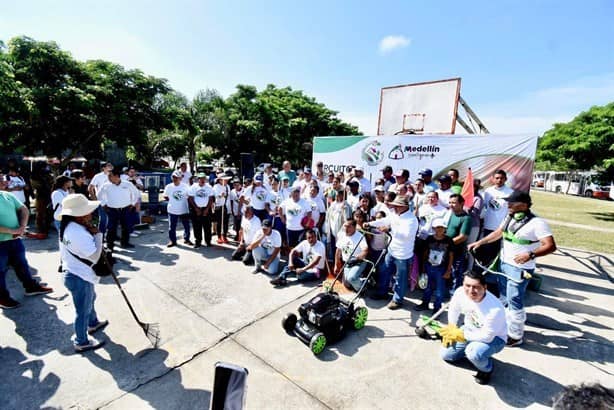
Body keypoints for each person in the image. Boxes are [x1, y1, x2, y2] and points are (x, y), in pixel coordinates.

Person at [468, 190, 556, 347]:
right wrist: (480, 242)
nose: (508, 204)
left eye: (512, 202)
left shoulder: (537, 223)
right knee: (503, 296)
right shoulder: (510, 217)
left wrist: (531, 254)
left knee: (514, 300)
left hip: (520, 269)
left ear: (524, 204)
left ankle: (515, 335)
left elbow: (550, 246)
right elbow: (498, 233)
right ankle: (504, 325)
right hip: (503, 263)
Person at [59, 194, 109, 352]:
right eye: (87, 211)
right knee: (82, 310)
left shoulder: (69, 227)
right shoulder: (77, 232)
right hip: (79, 275)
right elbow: (94, 256)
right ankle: (81, 341)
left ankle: (93, 323)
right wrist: (98, 235)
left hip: (75, 272)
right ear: (78, 214)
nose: (90, 213)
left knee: (90, 299)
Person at [440, 270, 507, 385]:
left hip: (494, 339)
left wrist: (461, 335)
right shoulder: (460, 292)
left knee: (473, 352)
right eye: (468, 285)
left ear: (485, 287)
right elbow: (454, 309)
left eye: (476, 287)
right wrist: (452, 326)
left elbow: (487, 337)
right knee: (446, 355)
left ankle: (486, 369)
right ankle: (476, 354)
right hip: (469, 329)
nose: (471, 291)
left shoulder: (495, 309)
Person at [0, 172, 53, 309]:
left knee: (22, 265)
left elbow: (24, 209)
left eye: (4, 179)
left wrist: (22, 226)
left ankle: (31, 287)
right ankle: (2, 298)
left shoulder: (8, 195)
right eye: (1, 180)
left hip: (14, 240)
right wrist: (12, 230)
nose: (6, 182)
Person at [366, 195, 419, 309]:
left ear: (404, 207)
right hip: (391, 250)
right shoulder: (395, 214)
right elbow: (385, 220)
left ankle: (397, 300)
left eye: (397, 206)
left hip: (403, 255)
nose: (394, 207)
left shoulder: (412, 219)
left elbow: (406, 235)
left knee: (401, 278)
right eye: (394, 205)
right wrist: (370, 224)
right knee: (384, 271)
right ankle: (382, 293)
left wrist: (389, 229)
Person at [414, 218, 453, 313]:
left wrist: (448, 270)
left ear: (445, 229)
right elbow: (425, 253)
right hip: (429, 266)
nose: (439, 229)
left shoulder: (448, 240)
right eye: (437, 227)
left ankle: (437, 307)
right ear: (433, 228)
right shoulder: (429, 239)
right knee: (427, 287)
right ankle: (425, 303)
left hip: (441, 268)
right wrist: (423, 267)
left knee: (440, 289)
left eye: (441, 227)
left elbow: (451, 255)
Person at [98, 168, 140, 251]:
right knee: (111, 228)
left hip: (125, 208)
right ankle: (110, 246)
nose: (108, 178)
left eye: (110, 176)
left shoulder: (127, 184)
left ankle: (125, 243)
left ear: (117, 176)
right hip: (112, 209)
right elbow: (99, 195)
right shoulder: (106, 185)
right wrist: (103, 204)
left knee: (126, 226)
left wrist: (133, 203)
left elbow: (136, 193)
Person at [334, 218, 369, 292]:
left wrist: (360, 256)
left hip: (358, 262)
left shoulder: (360, 236)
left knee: (351, 278)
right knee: (347, 284)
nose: (346, 229)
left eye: (348, 227)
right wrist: (336, 264)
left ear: (354, 227)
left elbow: (365, 250)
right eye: (345, 226)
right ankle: (360, 279)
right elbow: (338, 250)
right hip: (347, 263)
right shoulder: (342, 235)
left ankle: (363, 288)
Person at [446, 194, 472, 291]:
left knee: (456, 274)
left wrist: (447, 243)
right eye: (450, 202)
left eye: (454, 203)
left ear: (462, 204)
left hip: (457, 251)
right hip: (448, 250)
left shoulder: (466, 218)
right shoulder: (452, 214)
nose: (451, 205)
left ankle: (454, 295)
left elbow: (463, 237)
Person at [163, 170, 191, 247]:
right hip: (172, 210)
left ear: (180, 178)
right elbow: (165, 196)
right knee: (171, 227)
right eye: (174, 177)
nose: (175, 179)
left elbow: (189, 196)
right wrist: (172, 201)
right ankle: (173, 241)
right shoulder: (169, 186)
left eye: (177, 177)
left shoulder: (185, 186)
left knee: (186, 226)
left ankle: (187, 239)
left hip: (183, 209)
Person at [188, 172, 215, 248]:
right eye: (200, 178)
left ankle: (208, 241)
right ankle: (198, 241)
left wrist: (207, 209)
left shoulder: (209, 187)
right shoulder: (193, 187)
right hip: (196, 209)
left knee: (207, 226)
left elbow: (211, 199)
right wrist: (196, 208)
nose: (202, 180)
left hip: (206, 209)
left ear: (205, 179)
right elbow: (190, 198)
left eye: (203, 178)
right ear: (198, 179)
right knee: (196, 226)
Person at [88, 162, 113, 234]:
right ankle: (101, 235)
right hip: (102, 201)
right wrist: (95, 199)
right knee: (103, 219)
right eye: (109, 165)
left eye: (111, 165)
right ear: (103, 168)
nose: (111, 167)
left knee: (113, 219)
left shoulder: (113, 175)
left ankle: (110, 235)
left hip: (112, 201)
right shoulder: (98, 176)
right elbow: (90, 188)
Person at [213, 173, 232, 244]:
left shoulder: (228, 186)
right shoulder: (216, 186)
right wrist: (220, 195)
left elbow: (229, 196)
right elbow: (215, 195)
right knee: (219, 222)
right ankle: (219, 237)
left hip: (226, 206)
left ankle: (224, 236)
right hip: (219, 206)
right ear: (220, 180)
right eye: (225, 180)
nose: (226, 181)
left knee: (225, 222)